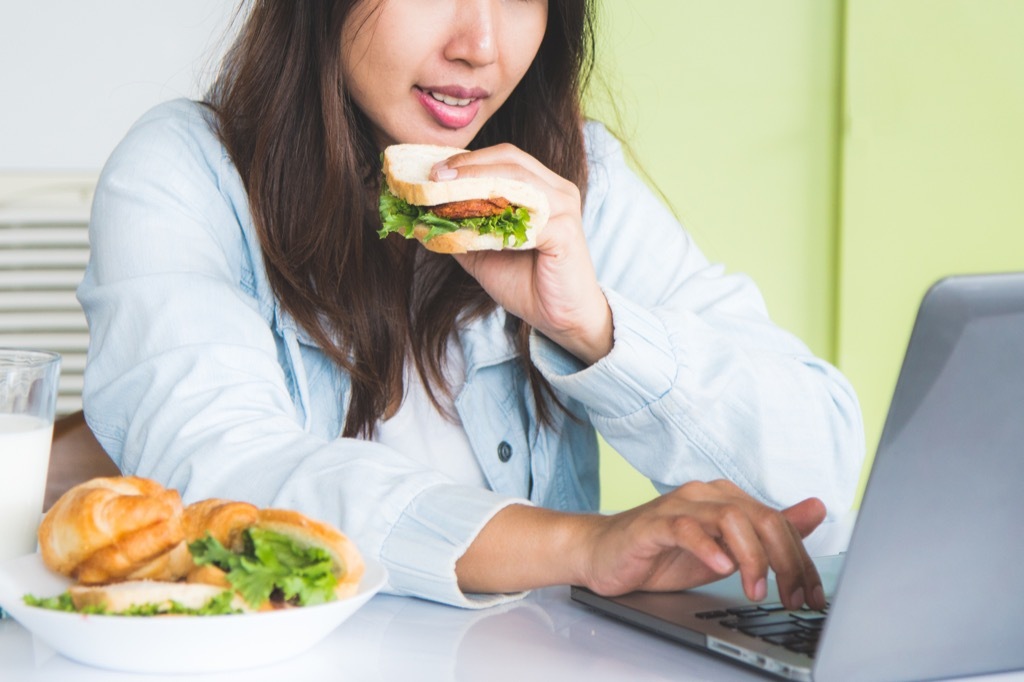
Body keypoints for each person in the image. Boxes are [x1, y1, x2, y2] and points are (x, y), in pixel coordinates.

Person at [78, 0, 864, 610]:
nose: (481, 46)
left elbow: (813, 494)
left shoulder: (577, 182)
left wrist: (590, 324)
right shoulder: (184, 176)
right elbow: (226, 479)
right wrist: (579, 547)